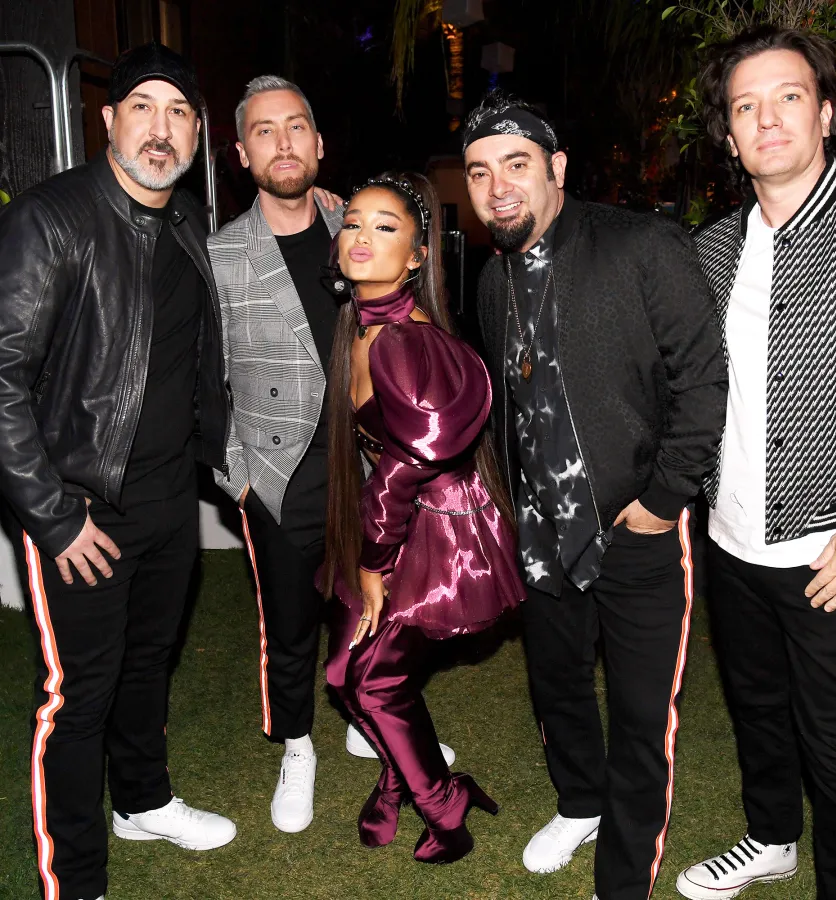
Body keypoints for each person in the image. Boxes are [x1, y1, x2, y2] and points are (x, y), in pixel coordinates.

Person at [464, 90, 727, 900]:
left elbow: (703, 381)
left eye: (516, 164)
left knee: (642, 715)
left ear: (557, 168)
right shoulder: (492, 278)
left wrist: (664, 497)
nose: (498, 186)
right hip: (541, 530)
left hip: (638, 528)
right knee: (558, 682)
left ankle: (624, 881)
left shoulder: (641, 244)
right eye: (479, 172)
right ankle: (580, 801)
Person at [0, 42, 235, 900]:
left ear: (197, 133)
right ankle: (76, 880)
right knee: (78, 697)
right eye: (143, 107)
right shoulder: (51, 219)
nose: (160, 129)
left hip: (170, 500)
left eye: (179, 112)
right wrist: (53, 516)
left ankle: (142, 801)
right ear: (108, 119)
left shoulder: (188, 222)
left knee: (147, 664)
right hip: (80, 506)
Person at [676, 27, 836, 900]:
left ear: (827, 113)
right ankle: (771, 839)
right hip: (731, 541)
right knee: (759, 714)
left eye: (789, 97)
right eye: (746, 106)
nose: (767, 119)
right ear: (729, 136)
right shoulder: (708, 250)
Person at [209, 78, 454, 834]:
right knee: (289, 629)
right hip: (279, 478)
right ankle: (297, 745)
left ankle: (363, 717)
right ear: (242, 152)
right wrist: (239, 480)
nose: (282, 143)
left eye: (296, 127)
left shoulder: (357, 220)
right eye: (264, 131)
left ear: (318, 143)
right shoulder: (220, 254)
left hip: (370, 471)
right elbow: (201, 381)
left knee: (373, 608)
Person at [319, 172, 525, 863]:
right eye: (352, 222)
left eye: (385, 228)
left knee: (372, 681)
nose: (361, 237)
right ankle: (401, 776)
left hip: (438, 530)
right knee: (345, 674)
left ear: (415, 257)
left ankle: (443, 806)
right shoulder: (358, 325)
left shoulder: (405, 343)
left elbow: (408, 463)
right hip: (390, 516)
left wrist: (374, 562)